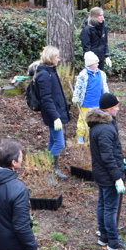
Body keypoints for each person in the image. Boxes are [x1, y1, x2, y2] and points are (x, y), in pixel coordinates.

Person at [87, 93, 126, 250]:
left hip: (101, 173)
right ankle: (113, 242)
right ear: (109, 109)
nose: (118, 108)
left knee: (103, 204)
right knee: (110, 208)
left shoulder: (102, 124)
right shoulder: (105, 129)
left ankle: (104, 237)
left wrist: (122, 163)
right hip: (108, 175)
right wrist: (117, 177)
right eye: (116, 106)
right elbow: (107, 157)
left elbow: (113, 151)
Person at [33, 46, 71, 179]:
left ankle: (48, 168)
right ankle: (51, 171)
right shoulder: (44, 74)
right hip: (53, 114)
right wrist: (56, 117)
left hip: (56, 112)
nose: (59, 59)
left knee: (52, 141)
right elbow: (46, 99)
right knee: (59, 143)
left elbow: (56, 95)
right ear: (50, 58)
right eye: (57, 57)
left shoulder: (50, 71)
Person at [72, 51, 110, 145]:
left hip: (98, 103)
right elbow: (78, 87)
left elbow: (105, 87)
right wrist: (76, 96)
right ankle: (80, 136)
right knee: (83, 120)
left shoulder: (101, 74)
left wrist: (107, 97)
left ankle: (92, 137)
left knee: (96, 120)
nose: (98, 64)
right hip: (86, 103)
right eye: (96, 62)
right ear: (90, 64)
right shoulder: (83, 74)